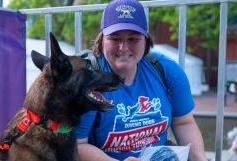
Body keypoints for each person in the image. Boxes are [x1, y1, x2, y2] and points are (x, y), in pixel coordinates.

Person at [76, 0, 207, 161]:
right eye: (115, 39)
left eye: (133, 39)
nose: (123, 48)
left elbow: (183, 123)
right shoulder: (86, 81)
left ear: (146, 41)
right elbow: (78, 145)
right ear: (102, 40)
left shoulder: (167, 70)